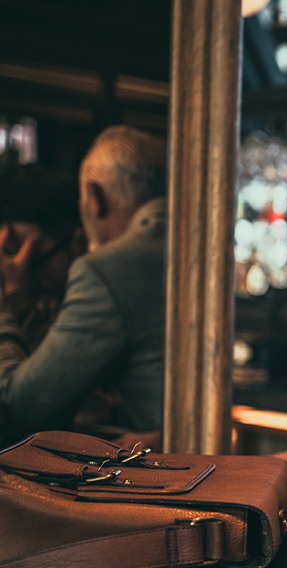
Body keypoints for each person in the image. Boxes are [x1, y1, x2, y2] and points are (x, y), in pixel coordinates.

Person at [0, 126, 167, 442]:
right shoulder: (203, 240)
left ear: (94, 198)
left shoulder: (106, 271)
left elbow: (19, 413)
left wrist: (6, 298)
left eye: (35, 261)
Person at [0, 165, 89, 353]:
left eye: (32, 260)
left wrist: (16, 295)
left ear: (81, 241)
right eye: (11, 259)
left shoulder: (95, 300)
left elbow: (54, 370)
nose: (22, 274)